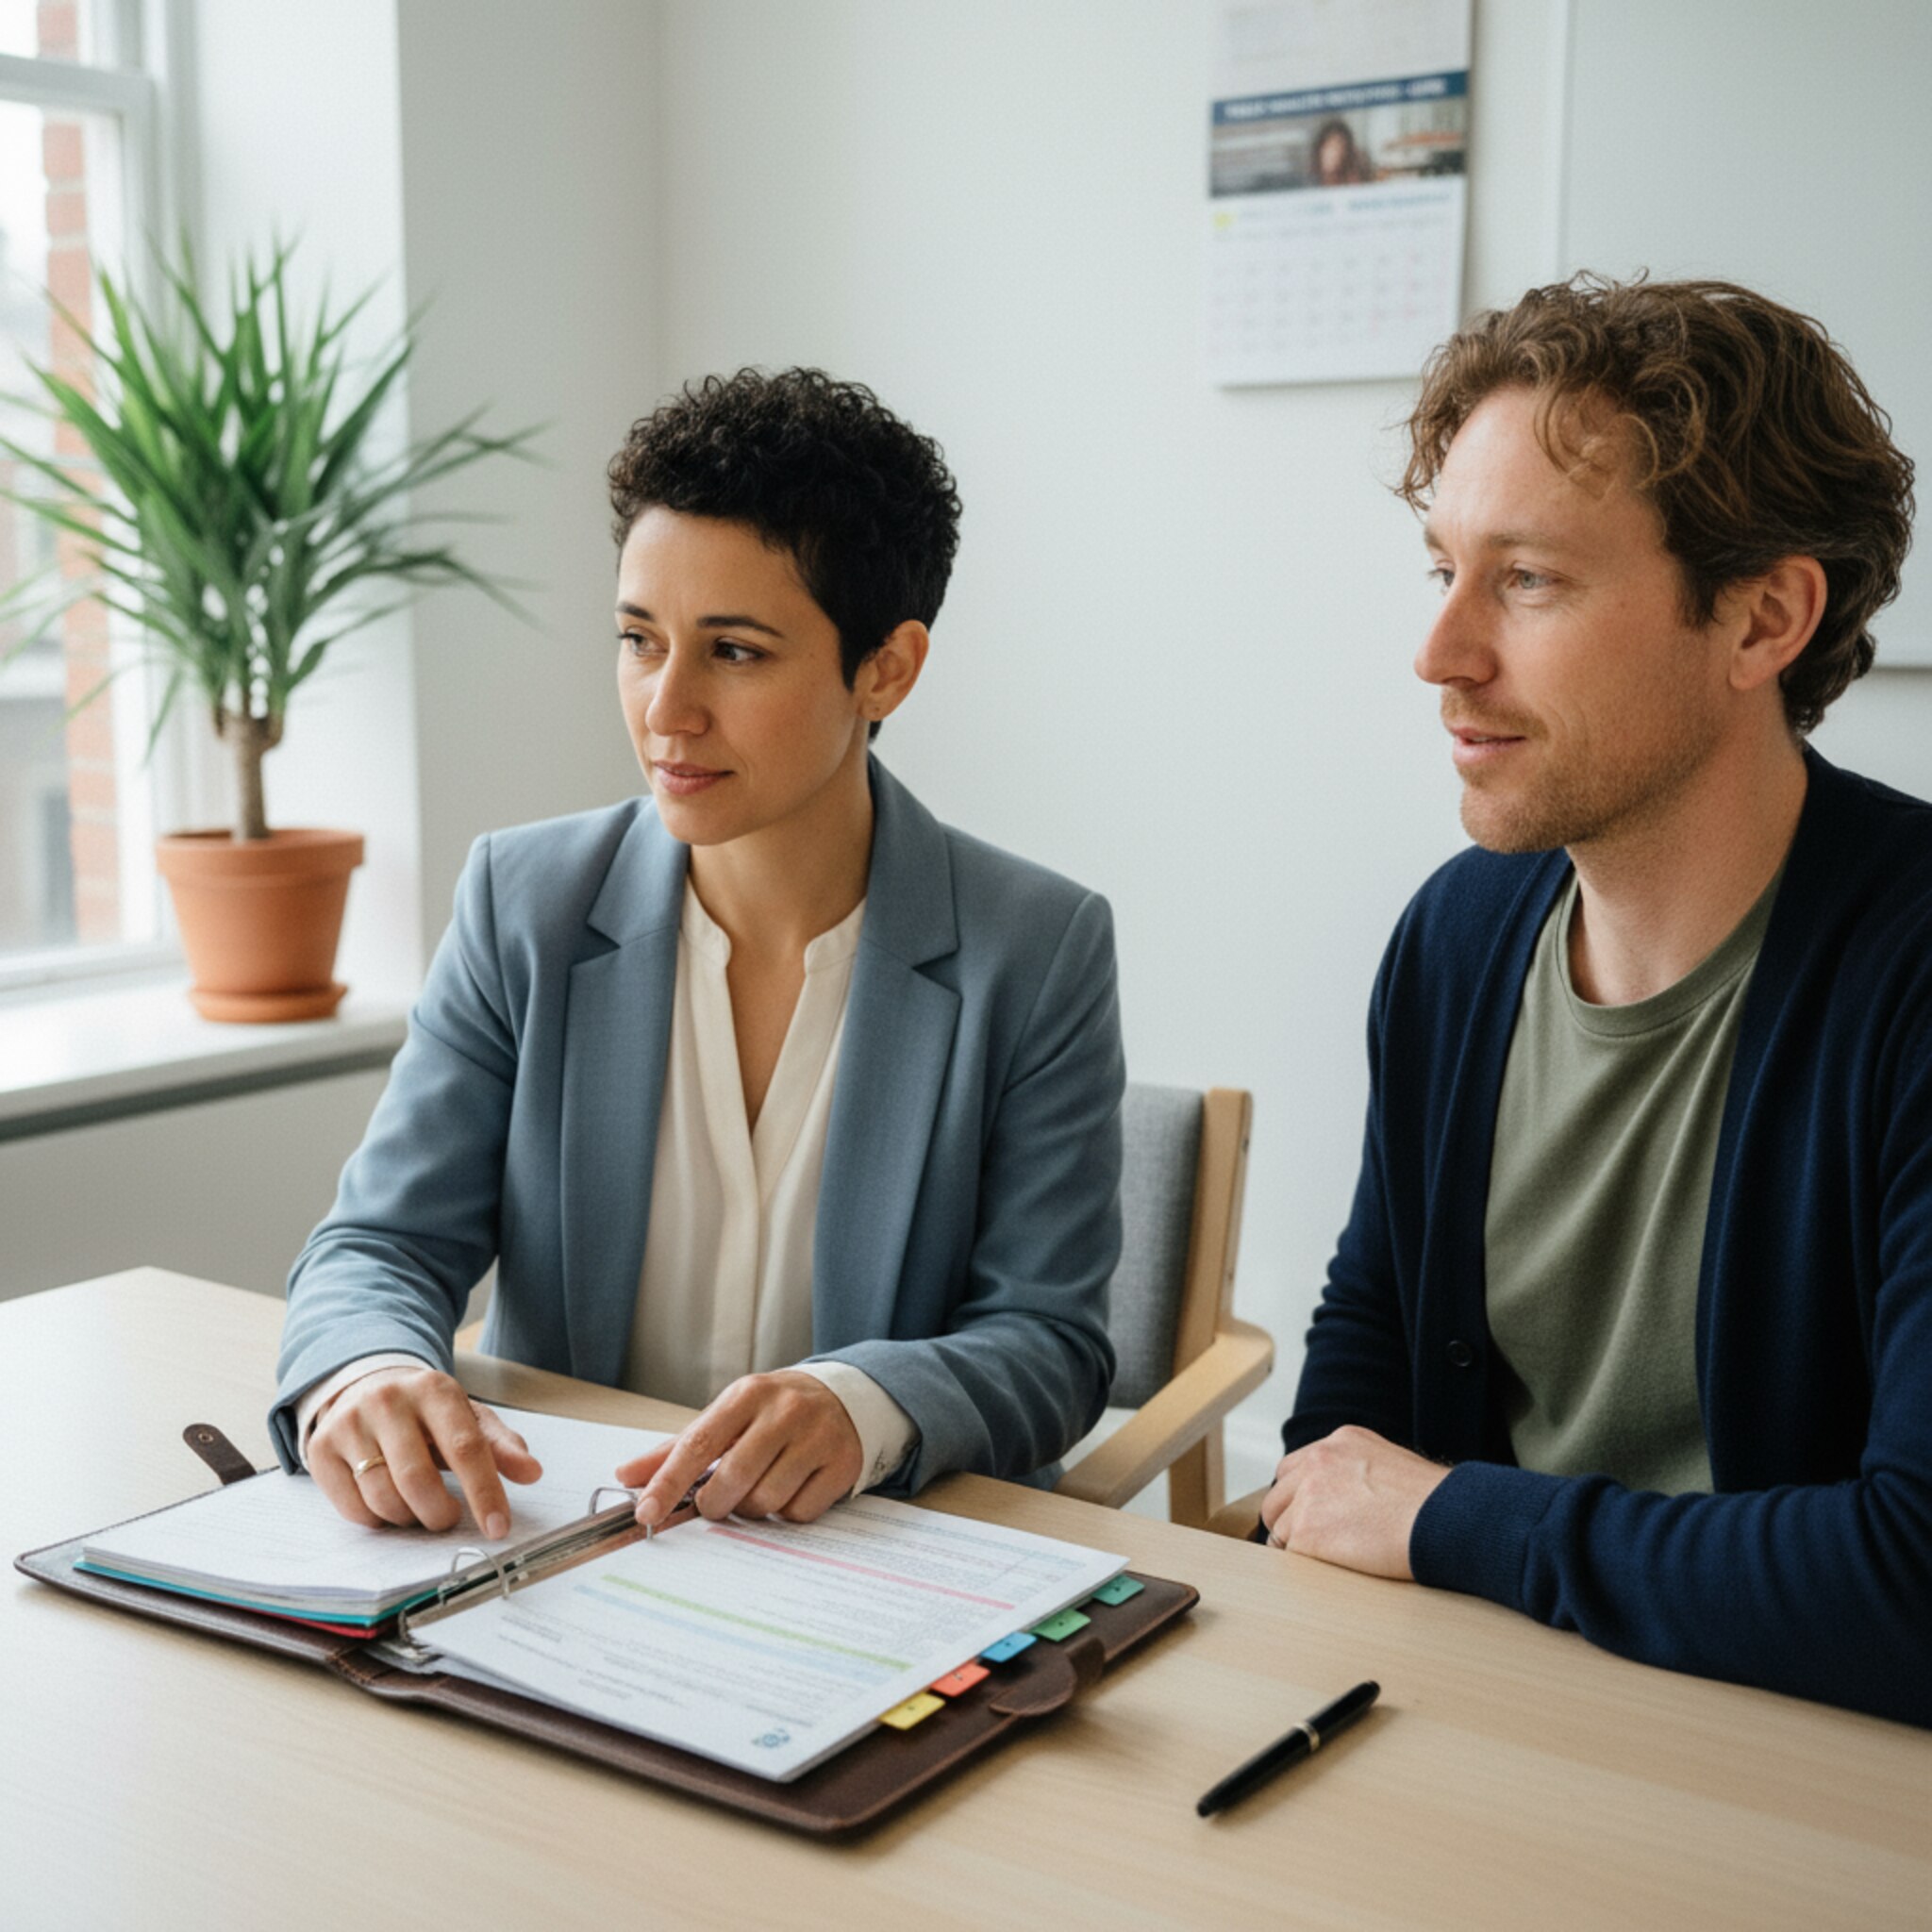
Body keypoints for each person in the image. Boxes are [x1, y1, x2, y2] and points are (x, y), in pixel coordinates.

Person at [273, 368, 1124, 1542]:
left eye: (733, 651)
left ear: (886, 667)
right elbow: (380, 1243)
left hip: (859, 1569)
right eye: (638, 639)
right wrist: (360, 1370)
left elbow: (1049, 1340)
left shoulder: (1035, 946)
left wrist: (859, 1401)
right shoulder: (523, 904)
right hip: (556, 1554)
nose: (663, 708)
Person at [1260, 275, 1931, 1728]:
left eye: (1529, 580)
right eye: (1441, 569)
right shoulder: (1458, 935)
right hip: (1478, 1706)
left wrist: (1456, 1524)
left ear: (1763, 620)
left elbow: (1913, 1581)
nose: (1441, 654)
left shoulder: (1913, 978)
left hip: (1801, 1766)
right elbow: (1353, 1409)